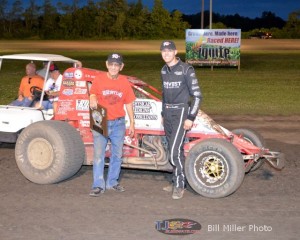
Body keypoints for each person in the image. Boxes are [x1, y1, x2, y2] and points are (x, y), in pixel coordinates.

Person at [160, 40, 202, 200]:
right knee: (173, 150)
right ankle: (177, 179)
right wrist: (163, 114)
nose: (166, 53)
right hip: (168, 113)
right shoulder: (163, 70)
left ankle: (179, 185)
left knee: (175, 152)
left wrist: (190, 117)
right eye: (163, 51)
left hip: (181, 113)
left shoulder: (186, 69)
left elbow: (197, 95)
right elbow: (164, 94)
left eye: (169, 51)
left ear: (175, 52)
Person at [89, 53, 136, 197]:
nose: (114, 67)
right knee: (98, 155)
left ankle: (112, 182)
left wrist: (132, 124)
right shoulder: (99, 79)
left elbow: (128, 103)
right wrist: (92, 98)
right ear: (106, 64)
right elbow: (92, 93)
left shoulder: (124, 82)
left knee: (117, 154)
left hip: (118, 123)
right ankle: (98, 185)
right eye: (111, 64)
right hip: (101, 120)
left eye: (117, 65)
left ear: (121, 67)